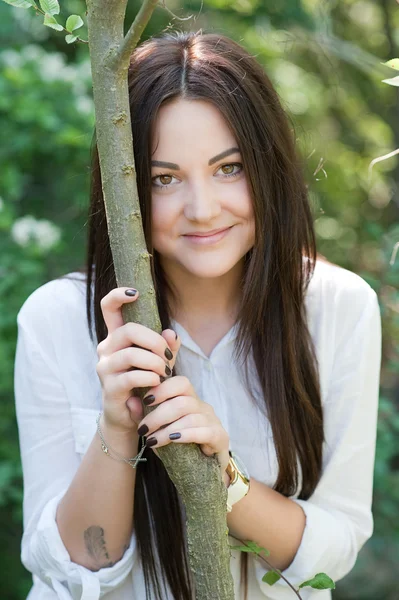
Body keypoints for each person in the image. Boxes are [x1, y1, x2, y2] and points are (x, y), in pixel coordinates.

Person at [14, 30, 382, 600]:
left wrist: (225, 478)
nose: (203, 209)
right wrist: (117, 426)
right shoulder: (57, 319)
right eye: (164, 179)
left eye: (229, 168)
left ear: (268, 167)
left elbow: (332, 551)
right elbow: (75, 569)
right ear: (124, 187)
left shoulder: (336, 307)